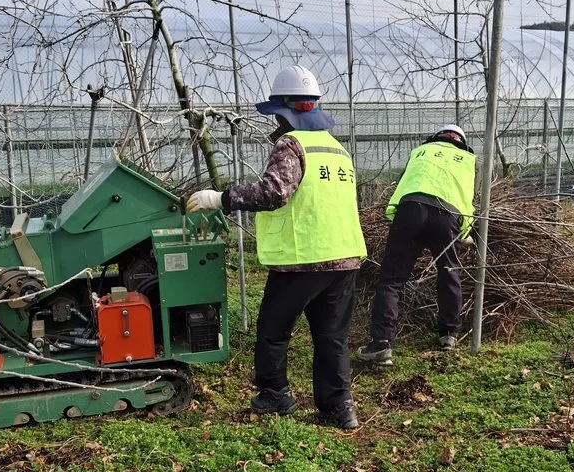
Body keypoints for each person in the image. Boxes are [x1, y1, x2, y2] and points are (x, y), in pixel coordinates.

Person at [187, 64, 366, 429]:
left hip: (303, 260)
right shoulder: (336, 150)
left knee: (273, 330)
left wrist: (220, 198)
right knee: (331, 337)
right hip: (344, 258)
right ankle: (339, 408)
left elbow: (274, 193)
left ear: (283, 111)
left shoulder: (292, 144)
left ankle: (275, 394)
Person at [356, 124, 477, 366]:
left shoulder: (420, 152)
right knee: (449, 272)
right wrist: (464, 232)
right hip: (447, 214)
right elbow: (466, 198)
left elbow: (404, 186)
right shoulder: (467, 159)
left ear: (436, 138)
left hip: (411, 210)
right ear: (461, 142)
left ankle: (381, 344)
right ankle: (449, 335)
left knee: (392, 279)